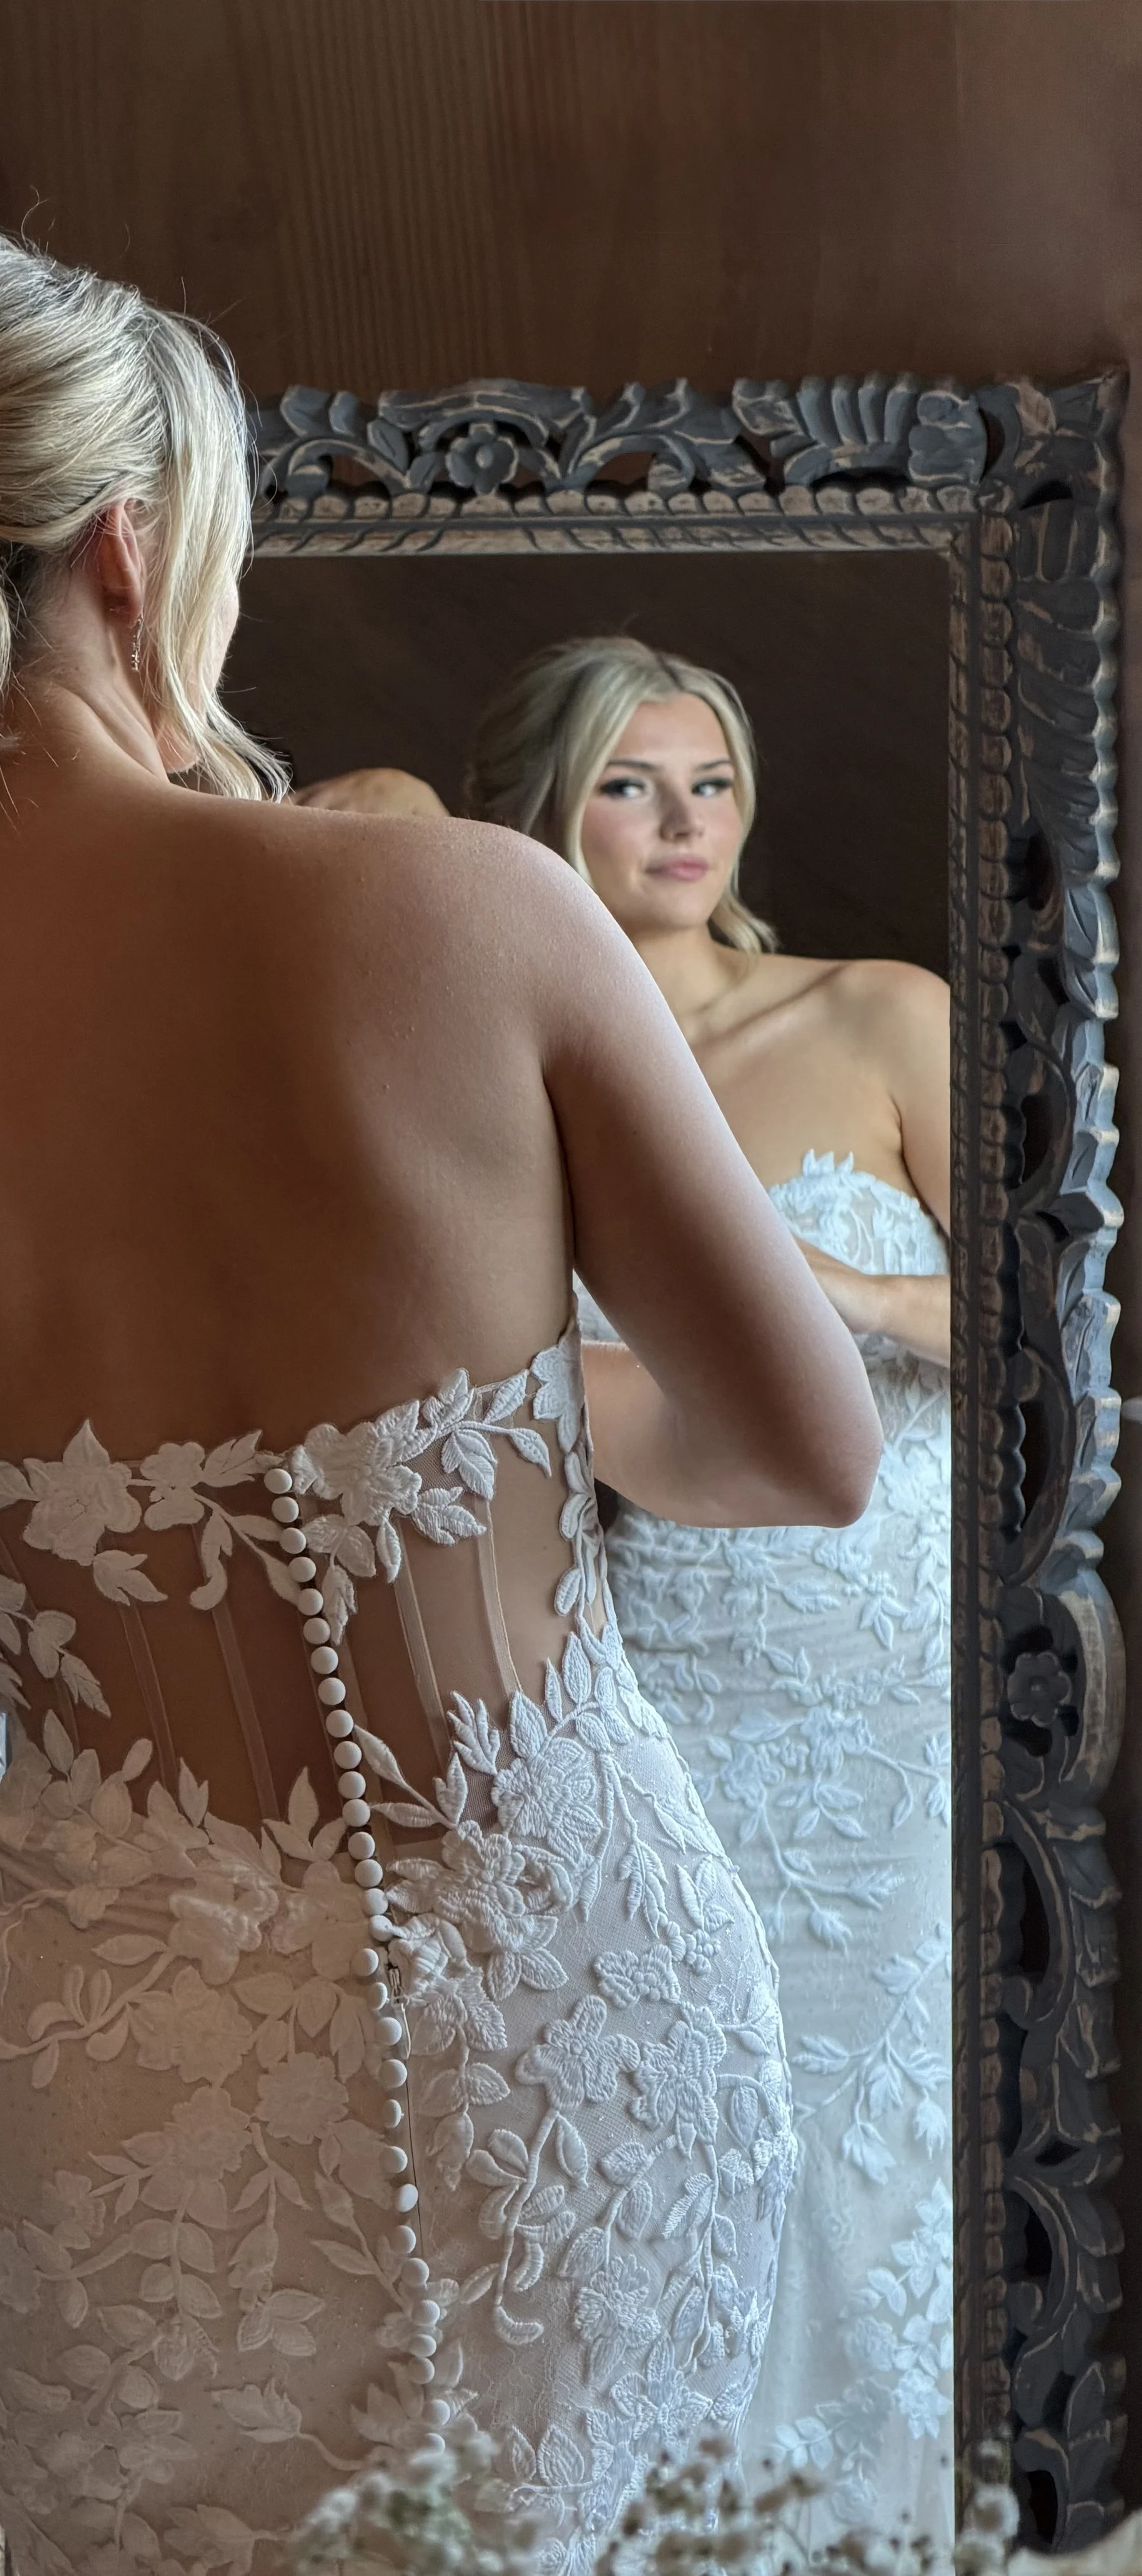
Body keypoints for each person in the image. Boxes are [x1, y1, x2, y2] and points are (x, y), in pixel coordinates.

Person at [0, 236, 880, 2576]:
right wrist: (472, 1423)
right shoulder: (472, 916)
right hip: (551, 2025)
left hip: (105, 2106)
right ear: (127, 549)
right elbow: (805, 1450)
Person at [466, 635, 953, 2543]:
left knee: (868, 2106)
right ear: (545, 805)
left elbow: (1051, 1317)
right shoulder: (512, 1062)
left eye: (711, 784)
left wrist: (820, 1288)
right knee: (688, 2113)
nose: (680, 825)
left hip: (872, 1650)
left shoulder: (872, 1010)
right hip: (642, 1646)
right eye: (626, 783)